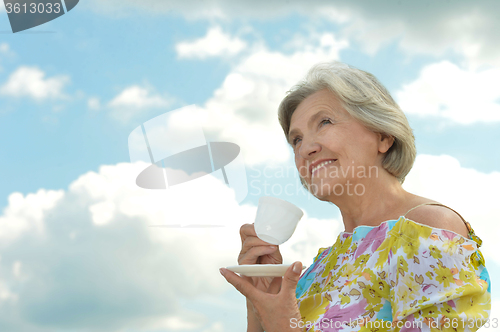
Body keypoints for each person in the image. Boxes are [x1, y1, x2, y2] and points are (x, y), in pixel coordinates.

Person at [219, 61, 491, 332]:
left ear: (383, 136)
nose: (305, 149)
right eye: (296, 140)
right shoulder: (321, 267)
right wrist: (260, 297)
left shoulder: (425, 229)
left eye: (324, 122)